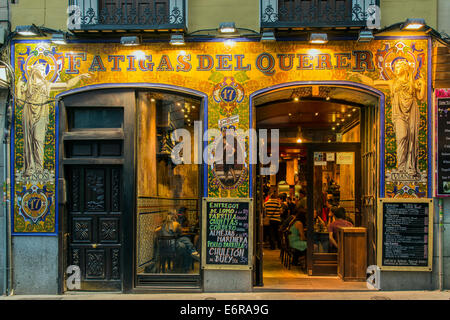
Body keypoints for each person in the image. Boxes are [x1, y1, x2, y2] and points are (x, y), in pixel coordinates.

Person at [18, 63, 90, 178]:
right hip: (28, 113)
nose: (44, 72)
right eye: (42, 69)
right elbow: (19, 102)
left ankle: (39, 169)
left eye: (45, 70)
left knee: (38, 140)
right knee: (28, 140)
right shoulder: (27, 86)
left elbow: (66, 85)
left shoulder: (47, 85)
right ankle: (30, 168)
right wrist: (18, 88)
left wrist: (79, 76)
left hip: (41, 114)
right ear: (35, 71)